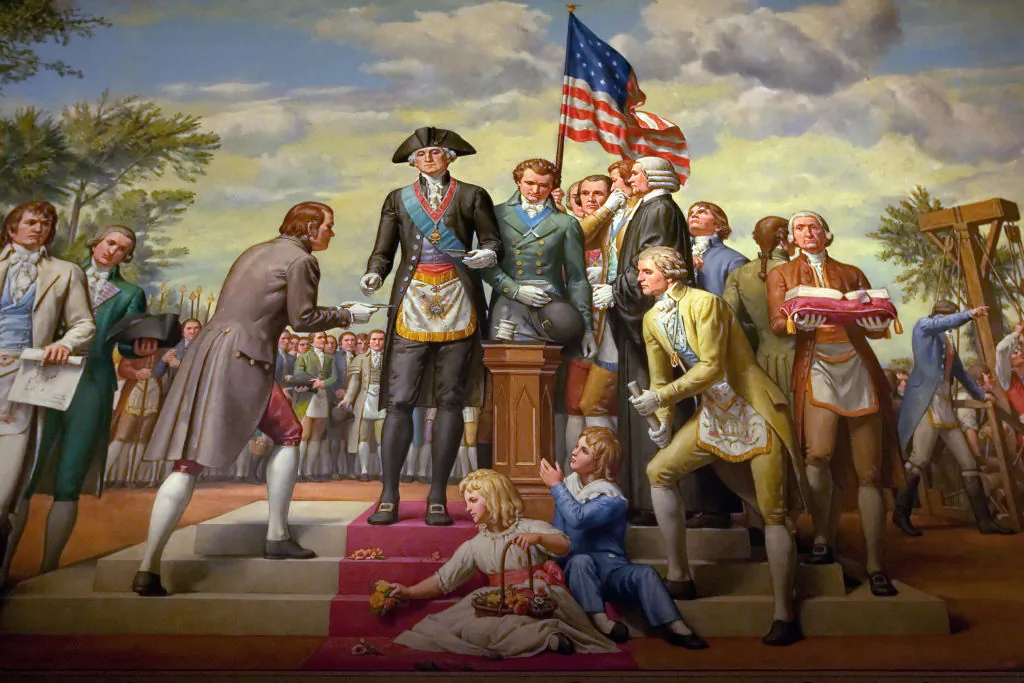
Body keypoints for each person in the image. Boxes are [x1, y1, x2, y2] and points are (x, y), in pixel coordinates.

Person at [130, 201, 374, 597]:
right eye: (329, 226)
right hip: (244, 355)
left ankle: (148, 567)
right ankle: (277, 536)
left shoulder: (254, 251)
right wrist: (349, 316)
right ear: (310, 229)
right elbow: (303, 319)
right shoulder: (301, 261)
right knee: (290, 433)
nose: (332, 232)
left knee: (188, 460)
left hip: (209, 351)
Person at [629, 246, 807, 646]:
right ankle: (679, 575)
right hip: (713, 415)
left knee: (774, 512)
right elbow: (660, 380)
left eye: (645, 271)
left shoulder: (705, 303)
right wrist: (661, 421)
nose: (639, 278)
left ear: (669, 273)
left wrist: (662, 399)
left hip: (753, 408)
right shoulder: (652, 318)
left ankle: (784, 613)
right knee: (659, 470)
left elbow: (710, 366)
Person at [359, 126, 502, 526]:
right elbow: (383, 252)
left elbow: (493, 242)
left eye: (436, 153)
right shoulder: (397, 199)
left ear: (449, 158)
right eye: (422, 155)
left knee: (451, 400)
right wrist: (374, 275)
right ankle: (389, 494)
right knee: (400, 401)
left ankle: (438, 495)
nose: (429, 159)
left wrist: (485, 256)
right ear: (412, 162)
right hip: (412, 302)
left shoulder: (473, 195)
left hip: (459, 298)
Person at [765, 210, 901, 597]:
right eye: (799, 229)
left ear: (827, 233)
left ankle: (876, 564)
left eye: (813, 227)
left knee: (869, 472)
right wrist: (799, 322)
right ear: (791, 238)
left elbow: (873, 317)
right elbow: (778, 322)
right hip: (817, 365)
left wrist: (876, 325)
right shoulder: (782, 274)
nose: (807, 233)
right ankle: (823, 538)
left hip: (856, 366)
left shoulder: (852, 271)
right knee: (818, 454)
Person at [388, 469, 617, 658]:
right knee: (470, 628)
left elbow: (564, 545)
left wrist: (539, 538)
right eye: (467, 502)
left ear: (494, 499)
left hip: (536, 592)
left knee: (517, 619)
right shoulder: (475, 545)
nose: (468, 508)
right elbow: (443, 580)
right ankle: (546, 638)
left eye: (474, 501)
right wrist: (408, 592)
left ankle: (548, 636)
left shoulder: (528, 527)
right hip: (497, 599)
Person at [541, 426, 706, 649]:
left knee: (645, 574)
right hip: (581, 571)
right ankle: (601, 621)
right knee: (581, 561)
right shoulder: (568, 488)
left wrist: (556, 486)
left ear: (600, 462)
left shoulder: (610, 497)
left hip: (612, 571)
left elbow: (579, 518)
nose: (574, 452)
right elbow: (560, 529)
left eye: (584, 450)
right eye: (577, 446)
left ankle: (675, 625)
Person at [0, 201, 95, 586]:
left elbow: (85, 324)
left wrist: (64, 345)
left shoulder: (66, 272)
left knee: (6, 486)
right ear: (12, 228)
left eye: (45, 223)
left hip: (22, 380)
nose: (38, 228)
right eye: (30, 221)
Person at [599, 157, 691, 518]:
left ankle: (673, 500)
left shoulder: (658, 210)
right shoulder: (650, 208)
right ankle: (648, 499)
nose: (630, 178)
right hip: (640, 319)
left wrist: (616, 291)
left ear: (652, 177)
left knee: (661, 402)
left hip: (652, 321)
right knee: (645, 405)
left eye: (636, 172)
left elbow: (650, 264)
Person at [893, 301, 1014, 536]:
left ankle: (984, 521)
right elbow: (943, 323)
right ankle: (901, 513)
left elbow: (961, 373)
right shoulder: (924, 326)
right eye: (948, 316)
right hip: (926, 404)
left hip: (945, 407)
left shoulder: (948, 343)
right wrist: (969, 314)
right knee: (920, 459)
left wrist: (980, 395)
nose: (951, 322)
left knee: (968, 464)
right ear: (938, 316)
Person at [482, 157, 595, 357]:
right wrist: (516, 290)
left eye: (544, 185)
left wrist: (587, 330)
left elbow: (577, 279)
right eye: (530, 183)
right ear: (518, 182)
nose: (535, 191)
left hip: (553, 311)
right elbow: (483, 265)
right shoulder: (495, 215)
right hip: (509, 305)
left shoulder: (566, 223)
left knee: (548, 375)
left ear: (553, 187)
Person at [682, 202, 750, 530]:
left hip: (717, 356)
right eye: (691, 211)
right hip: (684, 356)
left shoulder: (732, 260)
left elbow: (735, 312)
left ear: (719, 223)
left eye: (703, 211)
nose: (694, 214)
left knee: (719, 426)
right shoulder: (677, 255)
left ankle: (720, 508)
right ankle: (698, 503)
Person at [563, 174, 628, 469]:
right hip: (581, 323)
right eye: (584, 194)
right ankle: (576, 470)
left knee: (602, 402)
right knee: (575, 403)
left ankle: (606, 471)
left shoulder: (615, 226)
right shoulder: (579, 227)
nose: (590, 199)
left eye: (597, 193)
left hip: (611, 326)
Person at [722, 216, 797, 401]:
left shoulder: (739, 274)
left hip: (762, 361)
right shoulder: (798, 270)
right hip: (801, 361)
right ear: (783, 238)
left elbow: (727, 320)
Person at [343, 329, 386, 481]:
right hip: (364, 401)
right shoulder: (360, 359)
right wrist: (348, 398)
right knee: (362, 437)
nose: (377, 342)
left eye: (380, 339)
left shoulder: (389, 359)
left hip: (383, 402)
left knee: (382, 439)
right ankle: (364, 471)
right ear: (369, 341)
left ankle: (383, 472)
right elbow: (354, 382)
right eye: (374, 339)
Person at [293, 330, 337, 481]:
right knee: (304, 435)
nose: (323, 340)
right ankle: (298, 472)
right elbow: (299, 374)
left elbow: (334, 377)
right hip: (307, 397)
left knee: (317, 436)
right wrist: (313, 383)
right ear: (312, 340)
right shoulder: (304, 357)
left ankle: (309, 471)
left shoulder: (330, 359)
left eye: (324, 337)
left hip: (322, 397)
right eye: (320, 337)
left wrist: (323, 383)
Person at [153, 318, 202, 392]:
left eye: (196, 328)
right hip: (174, 392)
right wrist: (164, 360)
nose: (192, 331)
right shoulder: (173, 350)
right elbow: (156, 374)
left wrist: (181, 366)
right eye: (189, 328)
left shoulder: (206, 349)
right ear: (183, 333)